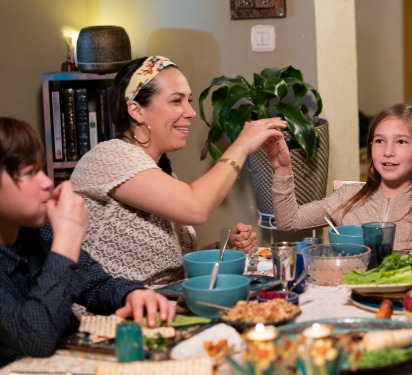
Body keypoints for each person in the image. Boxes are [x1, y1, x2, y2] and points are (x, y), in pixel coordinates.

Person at [70, 56, 287, 288]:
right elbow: (197, 208)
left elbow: (173, 269)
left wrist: (224, 248)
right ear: (137, 111)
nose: (191, 112)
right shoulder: (108, 157)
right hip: (119, 316)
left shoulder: (161, 174)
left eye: (189, 100)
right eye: (176, 101)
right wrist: (241, 145)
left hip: (171, 305)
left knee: (282, 273)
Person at [0, 117, 175, 366]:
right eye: (29, 173)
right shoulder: (52, 234)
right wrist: (67, 240)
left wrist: (132, 294)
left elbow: (95, 285)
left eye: (40, 169)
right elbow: (35, 339)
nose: (47, 182)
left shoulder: (37, 231)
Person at [266, 103, 412, 256]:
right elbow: (288, 221)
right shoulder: (346, 197)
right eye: (379, 141)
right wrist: (282, 169)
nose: (388, 152)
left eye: (401, 142)